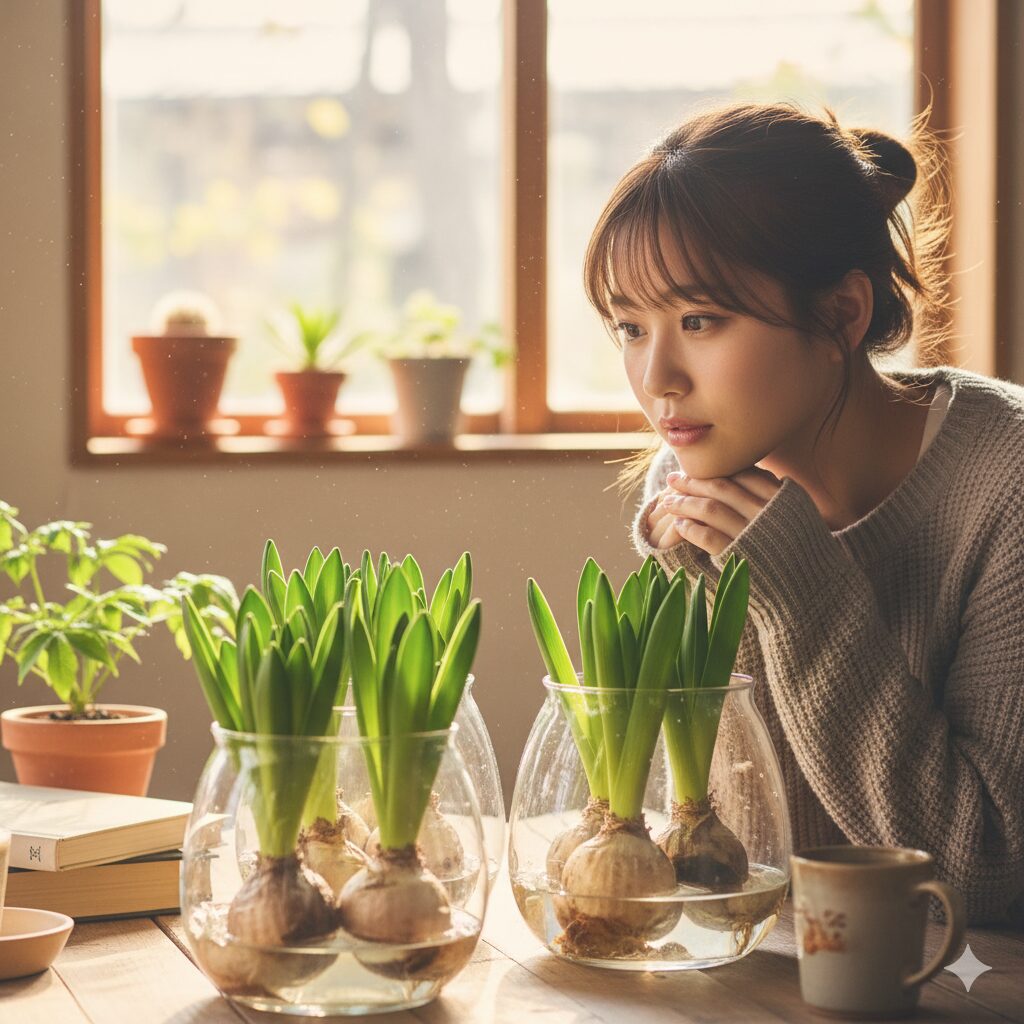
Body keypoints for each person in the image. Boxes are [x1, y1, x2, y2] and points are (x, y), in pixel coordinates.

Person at [583, 102, 1023, 926]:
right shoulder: (696, 488)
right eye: (629, 328)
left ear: (841, 314)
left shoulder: (1008, 480)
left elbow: (987, 876)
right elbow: (739, 866)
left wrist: (804, 595)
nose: (657, 380)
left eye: (700, 321)